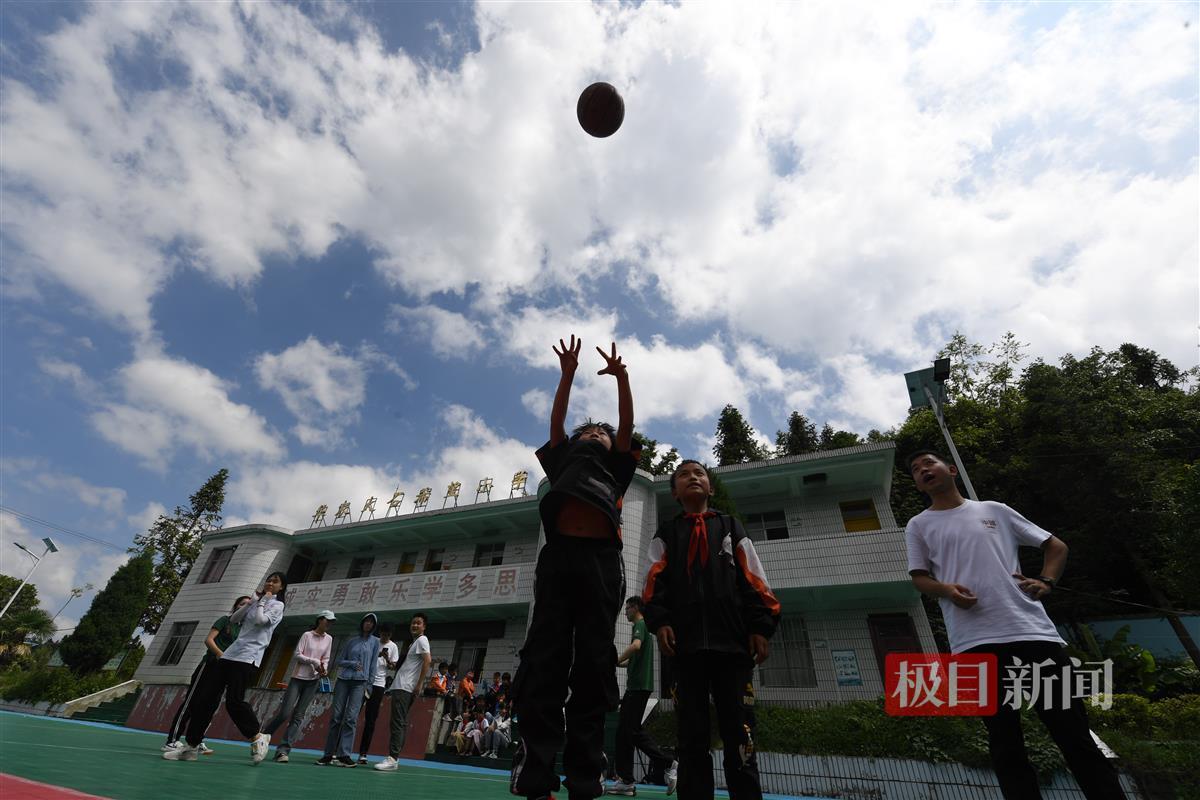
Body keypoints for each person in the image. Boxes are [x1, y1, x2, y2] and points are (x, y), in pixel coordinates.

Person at [904, 451, 1126, 800]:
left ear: (950, 469)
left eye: (928, 464)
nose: (922, 471)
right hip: (971, 643)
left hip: (1032, 632)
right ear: (918, 485)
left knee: (1074, 735)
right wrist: (946, 589)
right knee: (1005, 746)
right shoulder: (918, 525)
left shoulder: (995, 510)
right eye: (916, 471)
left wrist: (1046, 581)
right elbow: (919, 578)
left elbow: (1055, 546)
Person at [510, 335, 640, 800]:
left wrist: (622, 378)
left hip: (602, 564)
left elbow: (625, 423)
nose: (593, 437)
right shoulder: (565, 455)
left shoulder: (618, 466)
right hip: (559, 559)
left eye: (599, 434)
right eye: (589, 433)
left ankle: (586, 777)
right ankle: (536, 775)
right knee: (544, 660)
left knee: (593, 664)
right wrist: (566, 376)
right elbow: (558, 421)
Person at [642, 460, 781, 800]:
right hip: (684, 650)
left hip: (733, 648)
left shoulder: (731, 526)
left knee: (741, 733)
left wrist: (760, 626)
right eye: (684, 475)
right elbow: (652, 585)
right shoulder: (666, 534)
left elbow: (755, 580)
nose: (693, 478)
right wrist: (660, 622)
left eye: (700, 473)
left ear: (711, 488)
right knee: (691, 736)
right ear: (674, 492)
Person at [163, 572, 288, 765]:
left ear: (281, 587)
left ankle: (257, 736)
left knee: (234, 701)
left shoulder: (277, 605)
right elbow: (233, 619)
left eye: (275, 581)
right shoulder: (256, 602)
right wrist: (250, 602)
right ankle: (191, 746)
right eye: (269, 580)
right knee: (205, 700)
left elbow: (260, 621)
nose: (270, 583)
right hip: (231, 654)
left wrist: (263, 601)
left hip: (248, 657)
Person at [163, 595, 252, 755]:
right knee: (191, 702)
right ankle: (172, 740)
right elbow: (209, 640)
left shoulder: (245, 629)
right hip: (209, 665)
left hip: (224, 670)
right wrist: (220, 654)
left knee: (209, 705)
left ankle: (197, 739)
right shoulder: (225, 620)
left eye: (248, 604)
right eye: (242, 604)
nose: (244, 606)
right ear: (236, 606)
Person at [609, 596, 676, 796]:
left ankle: (667, 764)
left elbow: (635, 646)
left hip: (638, 687)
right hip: (638, 687)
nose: (626, 612)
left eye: (628, 608)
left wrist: (617, 658)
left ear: (635, 607)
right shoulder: (644, 627)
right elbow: (637, 657)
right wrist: (621, 664)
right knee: (630, 732)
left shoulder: (640, 624)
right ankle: (629, 780)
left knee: (626, 733)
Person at [262, 609, 335, 763]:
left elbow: (326, 658)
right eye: (327, 620)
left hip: (313, 681)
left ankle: (283, 751)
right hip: (297, 678)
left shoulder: (329, 639)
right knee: (285, 713)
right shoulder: (307, 635)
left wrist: (324, 668)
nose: (329, 623)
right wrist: (314, 662)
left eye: (331, 621)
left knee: (298, 716)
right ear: (319, 620)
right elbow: (297, 655)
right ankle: (262, 737)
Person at [316, 613, 380, 767]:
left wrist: (369, 685)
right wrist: (351, 663)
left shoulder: (375, 642)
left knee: (351, 718)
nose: (368, 624)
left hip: (360, 683)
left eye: (371, 622)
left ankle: (344, 754)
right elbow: (339, 660)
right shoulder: (351, 641)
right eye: (366, 621)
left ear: (374, 626)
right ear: (362, 623)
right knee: (336, 717)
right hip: (343, 680)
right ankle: (328, 754)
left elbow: (373, 665)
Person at [374, 612, 432, 772]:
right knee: (399, 722)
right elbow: (399, 666)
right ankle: (394, 757)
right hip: (402, 686)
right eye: (413, 623)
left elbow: (428, 661)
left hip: (405, 687)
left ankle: (392, 758)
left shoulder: (422, 640)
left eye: (418, 623)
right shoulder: (414, 643)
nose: (415, 625)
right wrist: (387, 660)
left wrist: (419, 684)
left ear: (424, 626)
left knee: (397, 722)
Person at [357, 621, 399, 763]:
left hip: (379, 685)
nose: (384, 637)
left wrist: (386, 658)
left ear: (391, 635)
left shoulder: (393, 646)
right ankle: (340, 750)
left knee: (371, 720)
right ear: (379, 633)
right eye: (382, 634)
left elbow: (393, 667)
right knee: (352, 715)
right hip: (363, 681)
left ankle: (363, 753)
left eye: (387, 635)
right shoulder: (372, 641)